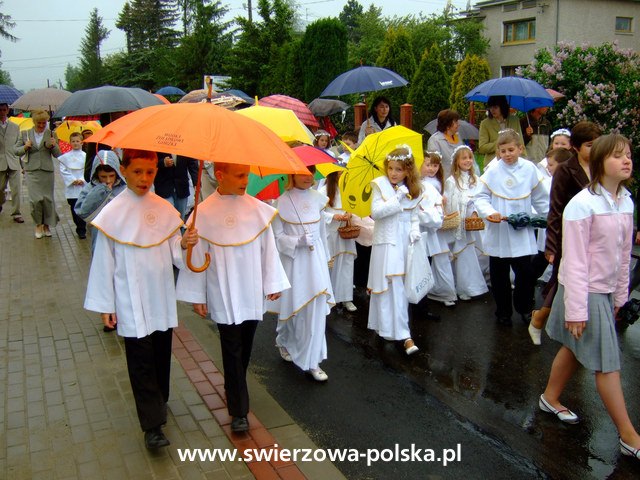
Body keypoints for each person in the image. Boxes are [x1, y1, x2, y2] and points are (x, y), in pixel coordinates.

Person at [83, 148, 198, 449]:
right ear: (123, 169)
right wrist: (105, 305)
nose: (145, 178)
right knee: (140, 360)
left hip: (159, 294)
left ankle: (161, 399)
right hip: (129, 298)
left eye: (150, 172)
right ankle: (152, 426)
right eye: (137, 172)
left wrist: (183, 242)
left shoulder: (163, 208)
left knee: (161, 353)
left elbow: (174, 249)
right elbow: (103, 262)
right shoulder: (113, 213)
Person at [540, 134, 640, 461]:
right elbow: (576, 261)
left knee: (573, 346)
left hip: (604, 291)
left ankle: (550, 398)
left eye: (627, 155)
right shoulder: (582, 204)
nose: (626, 160)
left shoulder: (626, 201)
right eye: (617, 156)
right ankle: (629, 436)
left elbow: (625, 255)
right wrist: (576, 309)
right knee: (608, 365)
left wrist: (620, 297)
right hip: (582, 290)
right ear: (599, 163)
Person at [176, 162, 290, 433]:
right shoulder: (202, 213)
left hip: (250, 290)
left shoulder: (257, 210)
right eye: (239, 175)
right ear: (220, 175)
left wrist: (271, 281)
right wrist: (197, 294)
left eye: (246, 175)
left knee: (245, 344)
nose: (245, 180)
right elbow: (197, 257)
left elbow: (268, 249)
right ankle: (239, 412)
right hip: (222, 289)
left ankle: (233, 384)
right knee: (232, 346)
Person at [532, 122, 603, 341]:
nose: (595, 149)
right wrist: (551, 245)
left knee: (588, 281)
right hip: (569, 235)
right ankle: (540, 318)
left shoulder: (602, 167)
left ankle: (572, 322)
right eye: (590, 145)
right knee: (561, 280)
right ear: (576, 146)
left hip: (595, 235)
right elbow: (556, 209)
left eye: (597, 144)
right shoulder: (565, 169)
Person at [475, 129, 549, 326]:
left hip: (521, 232)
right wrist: (489, 211)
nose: (507, 154)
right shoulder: (493, 170)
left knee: (525, 274)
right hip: (499, 230)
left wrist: (548, 216)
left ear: (520, 149)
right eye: (503, 151)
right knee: (499, 277)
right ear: (498, 151)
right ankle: (503, 312)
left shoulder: (529, 169)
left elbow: (540, 197)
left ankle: (524, 308)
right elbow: (480, 196)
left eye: (511, 150)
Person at [271, 165, 335, 381]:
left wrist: (327, 259)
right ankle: (284, 340)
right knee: (293, 308)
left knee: (315, 310)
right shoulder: (281, 202)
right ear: (291, 173)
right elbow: (277, 239)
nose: (307, 177)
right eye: (301, 172)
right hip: (294, 263)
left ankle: (313, 360)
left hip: (315, 263)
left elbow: (323, 234)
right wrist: (297, 241)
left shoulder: (318, 199)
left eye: (311, 172)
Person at [367, 146, 422, 355]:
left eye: (398, 169)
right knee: (389, 286)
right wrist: (397, 197)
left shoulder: (415, 189)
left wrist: (415, 231)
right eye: (390, 168)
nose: (393, 173)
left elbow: (415, 216)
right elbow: (377, 213)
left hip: (405, 243)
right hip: (386, 243)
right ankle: (403, 335)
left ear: (408, 171)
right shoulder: (380, 186)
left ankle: (390, 329)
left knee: (400, 287)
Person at [443, 145, 488, 301]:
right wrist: (464, 201)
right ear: (457, 161)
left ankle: (474, 284)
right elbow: (450, 202)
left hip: (473, 221)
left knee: (475, 252)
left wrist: (475, 207)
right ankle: (463, 286)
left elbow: (481, 197)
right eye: (464, 158)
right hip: (460, 223)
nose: (468, 161)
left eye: (470, 157)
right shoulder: (451, 181)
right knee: (462, 254)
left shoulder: (475, 180)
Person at [14, 109, 61, 239]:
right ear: (34, 122)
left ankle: (47, 225)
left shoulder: (51, 134)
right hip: (31, 171)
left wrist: (53, 145)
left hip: (47, 171)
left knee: (47, 200)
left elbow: (58, 154)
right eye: (39, 123)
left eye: (44, 123)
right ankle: (38, 224)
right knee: (35, 200)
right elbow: (15, 151)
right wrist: (25, 147)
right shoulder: (25, 134)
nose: (41, 125)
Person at [420, 151, 457, 307]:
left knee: (438, 258)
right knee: (427, 259)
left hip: (435, 225)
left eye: (435, 165)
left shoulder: (436, 182)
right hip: (426, 225)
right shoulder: (420, 183)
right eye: (428, 165)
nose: (432, 169)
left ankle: (441, 291)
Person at [319, 168, 358, 312]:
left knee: (347, 264)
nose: (342, 176)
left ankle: (346, 298)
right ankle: (328, 297)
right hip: (331, 232)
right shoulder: (323, 191)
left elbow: (353, 206)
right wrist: (333, 217)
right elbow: (318, 213)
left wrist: (349, 213)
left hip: (345, 231)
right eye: (340, 174)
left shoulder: (347, 190)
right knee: (330, 264)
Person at [75, 150, 127, 254]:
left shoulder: (125, 188)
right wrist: (100, 192)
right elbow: (82, 211)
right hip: (100, 236)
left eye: (112, 176)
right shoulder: (90, 188)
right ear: (96, 174)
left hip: (122, 237)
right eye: (103, 176)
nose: (108, 180)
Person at [478, 96, 525, 164]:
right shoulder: (485, 123)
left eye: (495, 107)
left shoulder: (515, 120)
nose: (492, 110)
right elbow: (482, 147)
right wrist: (501, 144)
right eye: (490, 107)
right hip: (493, 163)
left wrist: (523, 158)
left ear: (503, 107)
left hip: (514, 162)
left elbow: (521, 142)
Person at [57, 132, 87, 239]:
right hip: (72, 188)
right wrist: (72, 180)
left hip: (83, 187)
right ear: (70, 143)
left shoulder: (85, 156)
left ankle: (82, 229)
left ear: (82, 142)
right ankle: (78, 225)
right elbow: (63, 170)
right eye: (73, 141)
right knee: (74, 209)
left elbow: (88, 170)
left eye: (77, 141)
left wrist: (82, 180)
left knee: (83, 208)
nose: (75, 143)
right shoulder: (65, 157)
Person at [154, 154, 199, 221]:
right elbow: (150, 161)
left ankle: (181, 231)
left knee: (180, 218)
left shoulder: (186, 146)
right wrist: (162, 162)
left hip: (181, 186)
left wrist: (197, 182)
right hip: (164, 186)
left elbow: (192, 163)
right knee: (167, 216)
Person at [0, 103, 23, 223]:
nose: (2, 112)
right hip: (1, 162)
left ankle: (16, 213)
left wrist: (23, 165)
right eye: (0, 110)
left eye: (4, 110)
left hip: (13, 161)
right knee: (0, 189)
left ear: (8, 110)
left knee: (16, 189)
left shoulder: (15, 126)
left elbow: (19, 145)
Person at [426, 109, 464, 176]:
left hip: (460, 178)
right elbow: (434, 163)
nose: (458, 124)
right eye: (455, 122)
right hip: (444, 180)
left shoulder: (458, 137)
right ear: (447, 125)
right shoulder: (435, 140)